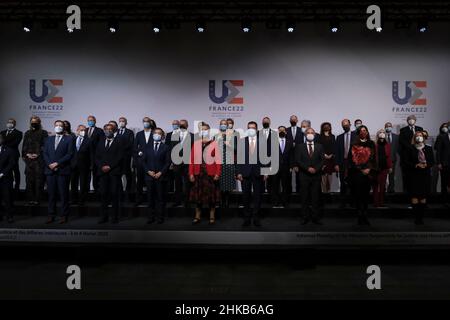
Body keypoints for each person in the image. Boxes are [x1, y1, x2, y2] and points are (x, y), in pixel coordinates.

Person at [236, 121, 268, 227]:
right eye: (249, 128)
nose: (251, 129)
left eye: (253, 128)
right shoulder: (241, 141)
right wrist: (239, 172)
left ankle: (256, 218)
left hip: (258, 172)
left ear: (256, 129)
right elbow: (238, 158)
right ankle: (246, 218)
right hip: (245, 173)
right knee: (246, 197)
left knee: (258, 197)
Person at [189, 123, 221, 225]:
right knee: (198, 197)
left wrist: (217, 173)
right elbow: (192, 160)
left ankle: (212, 216)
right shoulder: (196, 143)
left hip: (210, 174)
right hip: (198, 174)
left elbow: (218, 160)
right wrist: (191, 173)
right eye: (202, 129)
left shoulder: (214, 143)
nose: (204, 131)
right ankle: (197, 216)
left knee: (211, 197)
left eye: (205, 129)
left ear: (209, 130)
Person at [43, 120, 74, 224]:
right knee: (51, 195)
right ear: (54, 126)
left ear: (64, 127)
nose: (58, 127)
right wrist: (50, 165)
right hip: (50, 171)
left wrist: (57, 164)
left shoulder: (69, 139)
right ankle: (51, 215)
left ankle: (64, 215)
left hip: (62, 170)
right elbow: (45, 154)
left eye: (60, 125)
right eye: (57, 125)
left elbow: (69, 154)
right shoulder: (48, 139)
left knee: (63, 195)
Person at [293, 128, 324, 225]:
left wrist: (315, 169)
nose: (310, 134)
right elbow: (298, 160)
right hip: (304, 175)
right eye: (308, 133)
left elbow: (322, 160)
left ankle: (315, 217)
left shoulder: (320, 146)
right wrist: (308, 168)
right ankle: (305, 217)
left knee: (315, 197)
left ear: (315, 134)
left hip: (316, 175)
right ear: (305, 135)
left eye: (312, 133)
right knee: (304, 197)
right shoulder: (299, 146)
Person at [347, 125, 376, 226]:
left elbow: (374, 158)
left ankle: (365, 216)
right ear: (358, 133)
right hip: (357, 174)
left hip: (368, 174)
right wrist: (361, 169)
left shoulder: (371, 144)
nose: (363, 132)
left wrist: (369, 169)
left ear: (367, 132)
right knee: (358, 196)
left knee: (366, 196)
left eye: (365, 130)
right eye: (361, 130)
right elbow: (351, 160)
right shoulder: (354, 144)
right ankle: (360, 216)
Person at [96, 124, 124, 224]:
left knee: (114, 195)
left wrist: (110, 166)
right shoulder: (100, 142)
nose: (108, 131)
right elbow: (97, 157)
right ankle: (103, 217)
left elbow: (120, 157)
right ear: (104, 130)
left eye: (110, 129)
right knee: (103, 195)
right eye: (106, 129)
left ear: (114, 131)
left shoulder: (119, 142)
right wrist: (101, 166)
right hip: (102, 172)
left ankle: (114, 217)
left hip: (114, 172)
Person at [404, 131, 435, 225]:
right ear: (414, 138)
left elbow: (432, 161)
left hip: (425, 175)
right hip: (414, 175)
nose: (419, 137)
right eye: (417, 136)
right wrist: (416, 165)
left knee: (423, 197)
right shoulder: (410, 148)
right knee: (415, 197)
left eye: (420, 135)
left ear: (423, 137)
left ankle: (421, 218)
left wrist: (427, 164)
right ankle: (416, 218)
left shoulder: (429, 148)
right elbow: (406, 161)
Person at [143, 128, 171, 224]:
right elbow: (143, 161)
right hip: (149, 177)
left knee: (160, 198)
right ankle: (150, 217)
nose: (157, 135)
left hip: (161, 177)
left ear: (162, 136)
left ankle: (160, 217)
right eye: (155, 133)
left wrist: (160, 172)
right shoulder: (147, 147)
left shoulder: (166, 147)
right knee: (150, 198)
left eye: (159, 133)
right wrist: (148, 171)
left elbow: (167, 162)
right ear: (152, 135)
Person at [22, 116, 48, 205]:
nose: (34, 123)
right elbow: (24, 146)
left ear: (39, 123)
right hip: (29, 161)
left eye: (35, 122)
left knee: (39, 181)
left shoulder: (43, 133)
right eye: (32, 122)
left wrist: (38, 154)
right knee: (29, 181)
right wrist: (26, 154)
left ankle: (38, 199)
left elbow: (45, 146)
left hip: (39, 160)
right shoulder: (27, 133)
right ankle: (30, 199)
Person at [169, 119, 194, 208]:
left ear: (187, 125)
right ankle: (177, 201)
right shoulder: (174, 136)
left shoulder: (192, 136)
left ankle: (187, 201)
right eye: (181, 125)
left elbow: (194, 150)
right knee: (177, 183)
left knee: (187, 183)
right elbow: (171, 149)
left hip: (188, 163)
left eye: (184, 125)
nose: (182, 126)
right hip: (176, 162)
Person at [214, 119, 237, 209]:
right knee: (219, 182)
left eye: (225, 124)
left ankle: (227, 200)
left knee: (227, 182)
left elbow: (236, 149)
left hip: (229, 162)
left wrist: (228, 144)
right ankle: (220, 200)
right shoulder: (216, 136)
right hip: (218, 162)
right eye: (221, 124)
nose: (223, 125)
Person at [399, 115, 423, 193]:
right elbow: (402, 141)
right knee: (407, 177)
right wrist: (412, 147)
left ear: (415, 120)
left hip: (418, 155)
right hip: (407, 156)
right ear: (407, 121)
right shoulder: (403, 130)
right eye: (409, 119)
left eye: (413, 119)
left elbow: (422, 140)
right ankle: (407, 194)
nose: (411, 120)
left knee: (417, 178)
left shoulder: (420, 129)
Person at [134, 117, 155, 206]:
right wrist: (138, 152)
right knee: (140, 181)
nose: (146, 123)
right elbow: (135, 147)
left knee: (150, 181)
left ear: (150, 122)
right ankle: (139, 199)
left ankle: (151, 200)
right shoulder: (139, 134)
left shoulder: (154, 133)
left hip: (151, 161)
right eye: (144, 121)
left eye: (147, 121)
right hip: (141, 161)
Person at [70, 125, 93, 207]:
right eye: (81, 130)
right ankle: (73, 199)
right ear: (77, 130)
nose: (83, 131)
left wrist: (91, 165)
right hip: (73, 165)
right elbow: (70, 153)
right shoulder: (72, 140)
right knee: (73, 183)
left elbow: (91, 154)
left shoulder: (89, 141)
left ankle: (82, 200)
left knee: (83, 183)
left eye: (84, 130)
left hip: (84, 165)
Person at [271, 126, 293, 208]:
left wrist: (291, 166)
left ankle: (285, 202)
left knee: (285, 186)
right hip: (274, 167)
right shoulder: (272, 142)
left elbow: (291, 155)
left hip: (286, 167)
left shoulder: (290, 142)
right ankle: (275, 202)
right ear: (277, 132)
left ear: (286, 132)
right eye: (280, 130)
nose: (281, 131)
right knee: (275, 186)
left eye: (283, 130)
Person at [0, 118, 23, 197]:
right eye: (8, 122)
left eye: (11, 122)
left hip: (13, 154)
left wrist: (4, 144)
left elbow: (15, 143)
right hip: (2, 155)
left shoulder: (19, 133)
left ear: (14, 124)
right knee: (4, 171)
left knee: (15, 172)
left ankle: (16, 190)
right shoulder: (2, 132)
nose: (9, 123)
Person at [335, 119, 354, 208]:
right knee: (343, 183)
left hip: (353, 163)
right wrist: (336, 164)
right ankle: (343, 202)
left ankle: (352, 202)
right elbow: (337, 152)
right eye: (343, 125)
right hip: (342, 163)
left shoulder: (356, 135)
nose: (345, 126)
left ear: (350, 125)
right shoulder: (339, 137)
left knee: (352, 183)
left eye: (346, 124)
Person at [372, 129, 393, 208]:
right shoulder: (374, 144)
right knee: (375, 186)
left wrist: (390, 166)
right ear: (378, 134)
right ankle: (376, 203)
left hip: (384, 168)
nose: (382, 134)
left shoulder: (387, 144)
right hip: (376, 168)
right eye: (380, 132)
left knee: (383, 186)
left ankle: (381, 202)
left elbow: (389, 157)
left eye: (383, 132)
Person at [117, 117, 135, 202]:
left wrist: (120, 148)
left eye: (123, 121)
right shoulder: (115, 132)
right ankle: (119, 193)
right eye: (120, 121)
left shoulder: (130, 132)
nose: (121, 123)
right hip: (116, 158)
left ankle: (128, 193)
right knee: (118, 176)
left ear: (126, 123)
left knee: (128, 176)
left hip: (127, 157)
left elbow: (130, 144)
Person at [86, 115, 105, 193]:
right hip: (85, 156)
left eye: (92, 120)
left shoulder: (99, 131)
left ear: (95, 121)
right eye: (89, 120)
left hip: (96, 156)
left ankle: (97, 191)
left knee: (96, 174)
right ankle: (86, 191)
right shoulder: (85, 130)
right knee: (86, 175)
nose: (90, 121)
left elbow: (101, 143)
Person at [0, 135, 16, 223]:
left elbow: (11, 163)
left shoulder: (9, 150)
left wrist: (2, 174)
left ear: (2, 140)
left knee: (8, 198)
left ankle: (9, 216)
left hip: (6, 178)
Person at [318, 122, 337, 196]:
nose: (326, 127)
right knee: (323, 175)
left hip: (331, 159)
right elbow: (319, 147)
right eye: (325, 126)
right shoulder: (320, 137)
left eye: (328, 126)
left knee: (330, 175)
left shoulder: (333, 136)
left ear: (330, 127)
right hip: (323, 158)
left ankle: (329, 191)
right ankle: (324, 192)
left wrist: (331, 154)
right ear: (322, 128)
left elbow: (334, 147)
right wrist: (324, 155)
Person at [435, 122, 450, 206]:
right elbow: (438, 151)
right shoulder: (441, 137)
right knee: (444, 182)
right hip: (445, 163)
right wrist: (439, 162)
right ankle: (444, 200)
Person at [286, 115, 302, 193]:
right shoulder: (286, 130)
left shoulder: (301, 130)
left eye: (294, 119)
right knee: (287, 177)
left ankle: (299, 193)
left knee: (299, 177)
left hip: (298, 156)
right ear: (289, 120)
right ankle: (288, 193)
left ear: (297, 120)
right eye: (291, 119)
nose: (293, 120)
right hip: (288, 156)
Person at [384, 122, 399, 193]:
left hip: (393, 159)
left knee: (391, 175)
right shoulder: (382, 136)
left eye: (389, 126)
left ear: (391, 127)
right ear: (385, 127)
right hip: (383, 159)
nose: (388, 127)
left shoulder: (396, 136)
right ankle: (383, 190)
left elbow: (397, 148)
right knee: (383, 175)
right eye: (387, 126)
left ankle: (391, 190)